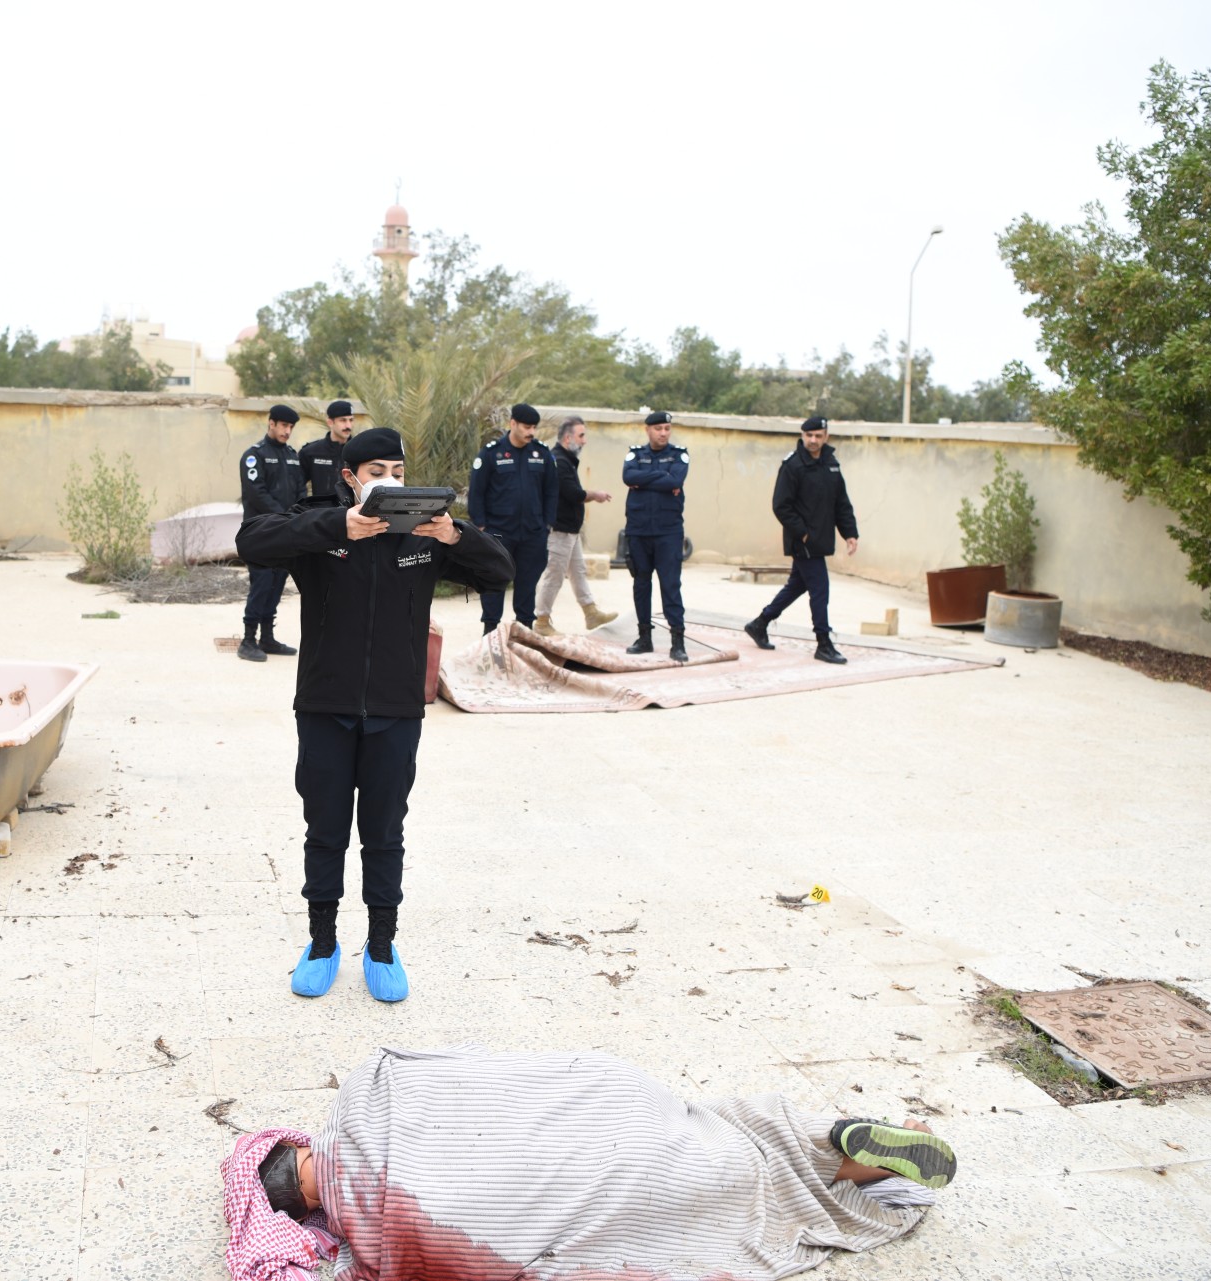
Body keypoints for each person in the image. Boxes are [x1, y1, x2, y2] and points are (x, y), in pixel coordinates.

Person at [222, 1045, 957, 1281]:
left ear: (304, 1212)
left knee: (739, 1183)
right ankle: (849, 1139)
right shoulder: (372, 1081)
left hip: (603, 1185)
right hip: (600, 1099)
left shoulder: (382, 1240)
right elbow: (489, 1067)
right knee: (728, 1124)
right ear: (297, 1146)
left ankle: (868, 1166)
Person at [237, 430, 514, 1003]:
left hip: (395, 710)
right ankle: (322, 944)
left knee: (385, 833)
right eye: (376, 471)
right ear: (350, 477)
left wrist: (455, 534)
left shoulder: (424, 535)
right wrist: (336, 527)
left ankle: (382, 946)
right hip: (325, 706)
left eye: (398, 471)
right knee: (325, 830)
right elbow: (252, 542)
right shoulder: (321, 525)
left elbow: (500, 571)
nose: (389, 480)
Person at [745, 415, 859, 665]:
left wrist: (850, 533)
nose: (813, 440)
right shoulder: (793, 465)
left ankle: (760, 623)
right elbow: (781, 505)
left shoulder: (831, 464)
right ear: (802, 436)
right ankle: (823, 643)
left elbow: (841, 502)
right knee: (820, 589)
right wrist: (803, 533)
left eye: (818, 436)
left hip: (822, 539)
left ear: (826, 436)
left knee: (797, 585)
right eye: (809, 435)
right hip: (803, 540)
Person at [467, 403, 556, 634]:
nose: (531, 432)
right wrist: (481, 526)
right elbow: (476, 492)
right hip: (498, 532)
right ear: (513, 423)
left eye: (534, 427)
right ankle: (490, 631)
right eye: (526, 427)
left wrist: (546, 525)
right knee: (494, 580)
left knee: (527, 583)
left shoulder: (541, 453)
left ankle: (524, 632)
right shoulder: (491, 453)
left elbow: (551, 491)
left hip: (532, 533)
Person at [533, 415, 618, 636]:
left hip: (570, 530)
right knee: (554, 575)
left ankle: (591, 613)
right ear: (568, 438)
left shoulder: (566, 460)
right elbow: (572, 493)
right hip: (559, 531)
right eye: (581, 436)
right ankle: (541, 621)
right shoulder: (559, 461)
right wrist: (595, 495)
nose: (584, 440)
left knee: (578, 571)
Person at [237, 404, 307, 663]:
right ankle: (248, 640)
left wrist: (299, 515)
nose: (287, 431)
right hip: (262, 532)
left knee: (277, 582)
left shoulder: (292, 455)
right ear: (272, 424)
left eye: (291, 427)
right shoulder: (254, 455)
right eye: (284, 426)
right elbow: (257, 492)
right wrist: (284, 516)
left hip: (285, 532)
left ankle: (267, 638)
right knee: (262, 582)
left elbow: (301, 490)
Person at [622, 410, 689, 662]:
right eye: (658, 428)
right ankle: (644, 638)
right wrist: (662, 477)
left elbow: (676, 481)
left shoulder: (679, 454)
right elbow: (628, 477)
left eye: (667, 429)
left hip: (668, 531)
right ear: (647, 430)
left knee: (670, 585)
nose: (663, 433)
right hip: (638, 529)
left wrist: (645, 480)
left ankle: (677, 642)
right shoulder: (635, 454)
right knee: (641, 584)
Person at [298, 400, 357, 498]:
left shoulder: (359, 451)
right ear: (330, 422)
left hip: (352, 507)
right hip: (321, 507)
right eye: (343, 420)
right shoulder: (311, 452)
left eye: (351, 420)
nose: (348, 426)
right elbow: (297, 485)